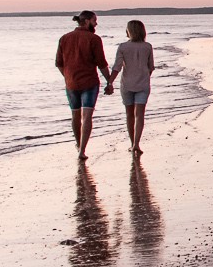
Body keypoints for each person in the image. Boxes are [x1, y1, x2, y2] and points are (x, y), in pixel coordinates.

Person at [55, 11, 112, 157]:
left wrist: (67, 76)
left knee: (75, 115)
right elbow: (102, 64)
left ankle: (79, 144)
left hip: (71, 83)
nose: (96, 23)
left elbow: (59, 64)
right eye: (94, 20)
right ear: (86, 21)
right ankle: (82, 150)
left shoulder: (64, 38)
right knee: (87, 116)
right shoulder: (94, 39)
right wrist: (109, 81)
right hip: (89, 82)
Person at [107, 19, 156, 155]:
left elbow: (117, 67)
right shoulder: (147, 46)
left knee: (129, 115)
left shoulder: (123, 47)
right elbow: (151, 67)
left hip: (127, 84)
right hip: (143, 84)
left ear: (129, 31)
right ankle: (136, 144)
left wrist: (110, 82)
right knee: (140, 115)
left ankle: (131, 143)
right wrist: (144, 76)